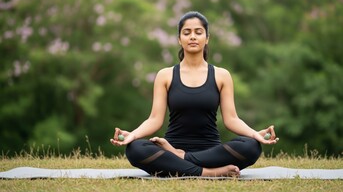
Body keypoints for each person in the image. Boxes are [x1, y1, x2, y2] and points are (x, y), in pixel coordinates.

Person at [110, 11, 279, 177]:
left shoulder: (221, 75)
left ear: (207, 39)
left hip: (210, 151)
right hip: (172, 146)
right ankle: (208, 172)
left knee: (251, 146)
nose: (192, 36)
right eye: (186, 32)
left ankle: (181, 160)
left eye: (198, 32)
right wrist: (132, 135)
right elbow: (154, 119)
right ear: (179, 39)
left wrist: (254, 134)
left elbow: (232, 119)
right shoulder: (165, 75)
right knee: (135, 149)